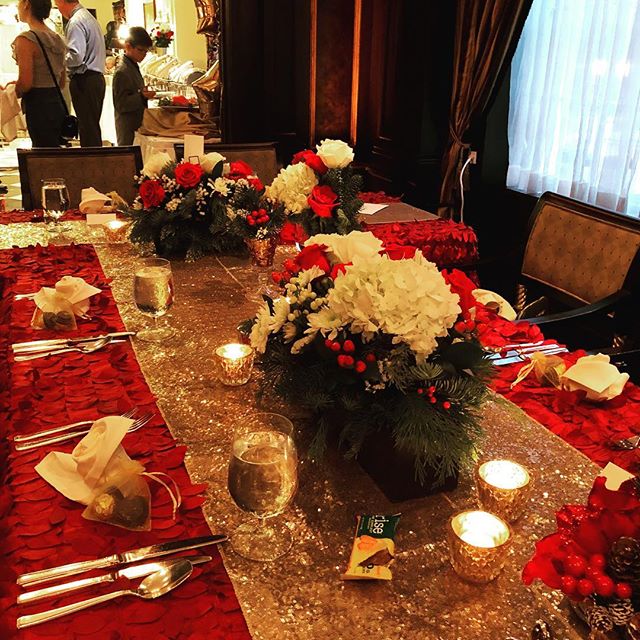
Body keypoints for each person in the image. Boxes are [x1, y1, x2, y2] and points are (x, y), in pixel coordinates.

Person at [11, 0, 67, 147]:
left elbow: (26, 82)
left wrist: (12, 91)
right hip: (56, 102)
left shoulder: (26, 40)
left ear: (26, 4)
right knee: (55, 153)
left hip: (38, 105)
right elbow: (62, 81)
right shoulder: (58, 39)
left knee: (42, 156)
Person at [54, 0, 106, 147]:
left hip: (85, 79)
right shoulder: (88, 17)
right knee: (91, 126)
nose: (58, 10)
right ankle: (94, 162)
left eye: (57, 5)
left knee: (88, 128)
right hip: (94, 78)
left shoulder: (76, 21)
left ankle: (92, 165)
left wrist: (58, 59)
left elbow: (76, 57)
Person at [112, 27, 155, 146]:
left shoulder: (132, 66)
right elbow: (121, 104)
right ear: (128, 46)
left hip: (136, 122)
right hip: (128, 126)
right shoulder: (123, 71)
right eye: (140, 50)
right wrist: (141, 96)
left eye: (146, 52)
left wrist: (142, 92)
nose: (143, 55)